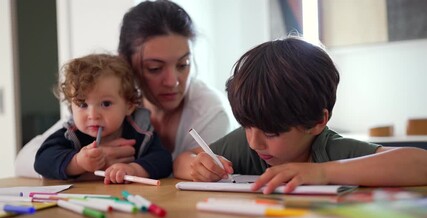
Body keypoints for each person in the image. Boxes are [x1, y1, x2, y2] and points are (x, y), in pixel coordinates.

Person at [173, 37, 427, 194]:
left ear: (318, 121)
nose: (254, 142)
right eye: (247, 126)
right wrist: (199, 166)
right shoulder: (248, 143)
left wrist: (323, 173)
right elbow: (184, 159)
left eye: (271, 132)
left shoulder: (330, 150)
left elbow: (420, 164)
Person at [15, 0, 236, 178]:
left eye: (183, 64)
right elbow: (25, 160)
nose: (173, 81)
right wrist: (82, 164)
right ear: (126, 65)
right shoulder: (107, 98)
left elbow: (171, 165)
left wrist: (134, 169)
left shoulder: (209, 111)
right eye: (155, 68)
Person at [34, 53, 172, 183]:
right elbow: (42, 161)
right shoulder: (71, 133)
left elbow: (163, 160)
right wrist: (78, 162)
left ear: (129, 106)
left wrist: (133, 169)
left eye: (106, 104)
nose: (93, 115)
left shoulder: (141, 130)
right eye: (82, 104)